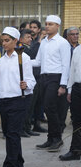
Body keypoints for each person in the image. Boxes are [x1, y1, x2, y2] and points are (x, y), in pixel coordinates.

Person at [0, 27, 36, 167]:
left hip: (19, 100)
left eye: (7, 40)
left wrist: (27, 85)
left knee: (12, 133)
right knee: (9, 133)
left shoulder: (23, 58)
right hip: (4, 101)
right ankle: (19, 163)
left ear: (15, 41)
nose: (4, 43)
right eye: (2, 41)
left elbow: (31, 80)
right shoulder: (0, 61)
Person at [32, 15, 71, 151]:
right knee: (47, 108)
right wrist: (22, 58)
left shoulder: (62, 42)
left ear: (57, 26)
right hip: (44, 78)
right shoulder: (43, 42)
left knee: (50, 107)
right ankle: (51, 139)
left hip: (56, 77)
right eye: (46, 23)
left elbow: (66, 65)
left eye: (51, 24)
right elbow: (37, 62)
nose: (47, 26)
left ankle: (57, 138)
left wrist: (63, 85)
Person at [59, 41, 81, 161]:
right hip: (77, 87)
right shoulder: (77, 50)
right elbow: (72, 71)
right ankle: (75, 151)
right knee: (76, 120)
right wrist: (70, 90)